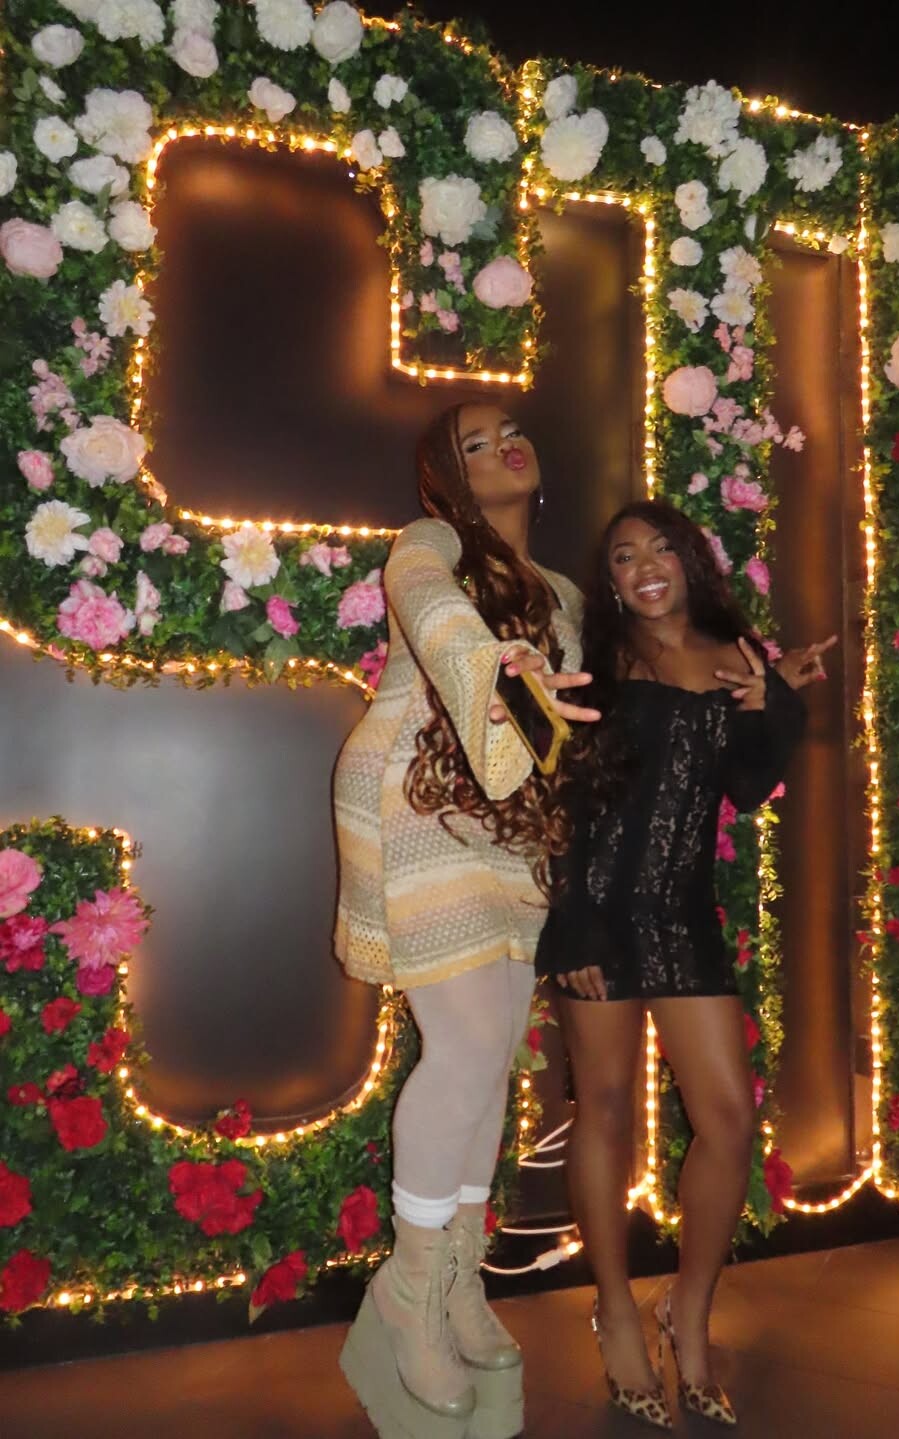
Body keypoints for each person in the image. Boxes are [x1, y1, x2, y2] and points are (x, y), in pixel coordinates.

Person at [536, 498, 835, 1429]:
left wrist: (771, 701)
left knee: (730, 1120)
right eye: (624, 556)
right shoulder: (599, 657)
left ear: (689, 560)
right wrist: (572, 923)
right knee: (605, 1109)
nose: (645, 567)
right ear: (611, 581)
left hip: (682, 916)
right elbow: (565, 798)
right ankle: (616, 1309)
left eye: (660, 548)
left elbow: (746, 786)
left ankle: (689, 1309)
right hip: (598, 910)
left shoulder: (734, 652)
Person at [334, 402, 598, 1439]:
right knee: (469, 1042)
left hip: (514, 823)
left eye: (512, 431)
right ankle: (409, 1286)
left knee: (492, 1058)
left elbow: (588, 714)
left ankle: (456, 1276)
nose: (503, 446)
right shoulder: (432, 540)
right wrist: (494, 664)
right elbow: (428, 603)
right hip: (421, 790)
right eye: (474, 443)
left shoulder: (565, 592)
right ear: (447, 475)